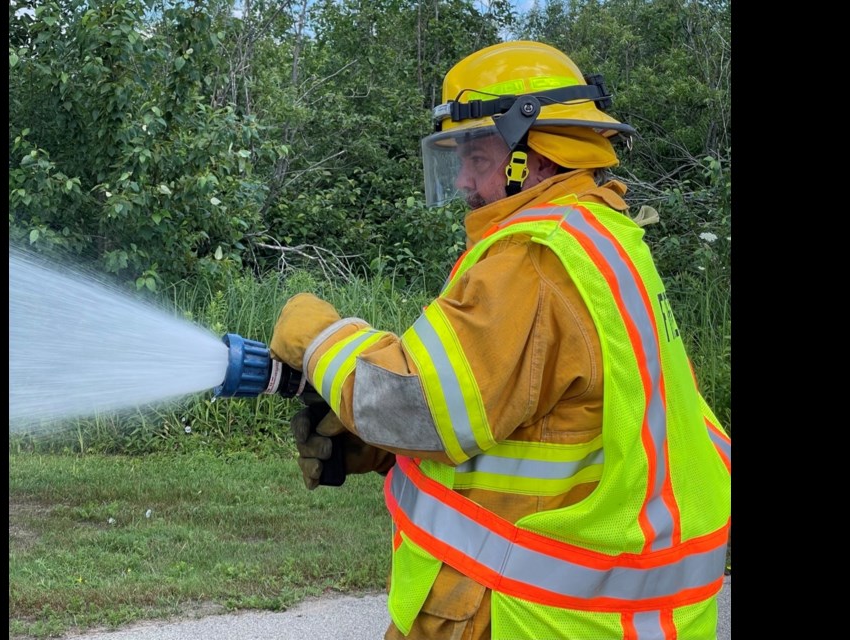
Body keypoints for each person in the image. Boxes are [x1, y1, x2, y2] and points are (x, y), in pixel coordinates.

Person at [269, 40, 731, 640]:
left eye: (477, 157)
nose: (462, 179)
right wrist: (382, 450)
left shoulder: (533, 261)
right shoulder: (605, 242)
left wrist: (320, 338)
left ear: (532, 156)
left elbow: (414, 404)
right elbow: (547, 423)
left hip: (523, 616)